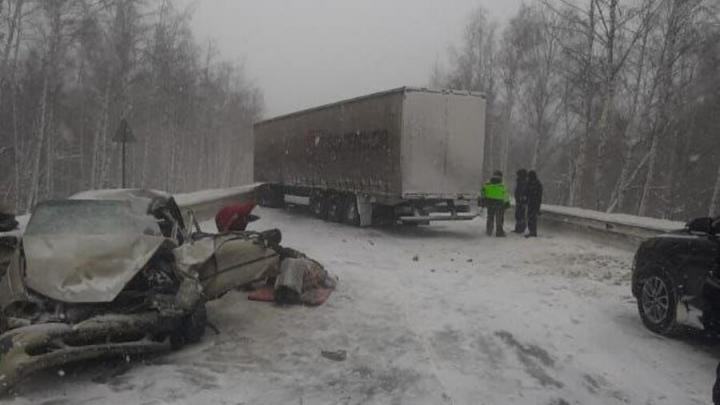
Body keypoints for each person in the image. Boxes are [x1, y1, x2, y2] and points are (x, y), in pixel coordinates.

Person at [481, 170, 510, 237]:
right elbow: (505, 195)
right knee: (499, 218)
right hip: (499, 204)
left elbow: (483, 192)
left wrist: (483, 200)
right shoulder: (502, 185)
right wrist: (507, 203)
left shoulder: (487, 183)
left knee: (490, 217)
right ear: (500, 176)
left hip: (490, 202)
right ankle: (499, 232)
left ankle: (489, 231)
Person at [526, 170, 543, 238]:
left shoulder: (536, 184)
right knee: (530, 217)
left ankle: (533, 232)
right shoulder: (535, 183)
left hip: (534, 203)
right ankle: (531, 231)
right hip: (532, 202)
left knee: (532, 218)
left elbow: (538, 195)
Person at [513, 169, 528, 234]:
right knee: (519, 215)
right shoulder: (521, 181)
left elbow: (522, 191)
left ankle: (520, 228)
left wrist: (521, 198)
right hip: (520, 200)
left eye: (518, 175)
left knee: (520, 215)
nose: (517, 176)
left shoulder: (523, 182)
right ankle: (519, 228)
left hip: (521, 201)